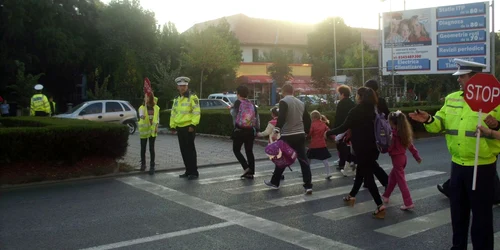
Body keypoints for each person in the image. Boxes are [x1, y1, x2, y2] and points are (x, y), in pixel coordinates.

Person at [408, 59, 499, 249]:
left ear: (475, 79)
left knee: (481, 218)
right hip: (457, 166)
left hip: (481, 168)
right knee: (458, 215)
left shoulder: (495, 101)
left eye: (463, 77)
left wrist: (496, 127)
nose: (459, 81)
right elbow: (439, 123)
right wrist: (428, 119)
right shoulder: (452, 99)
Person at [325, 87, 386, 218]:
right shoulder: (375, 110)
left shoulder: (356, 111)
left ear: (360, 97)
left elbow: (344, 126)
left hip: (361, 147)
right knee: (361, 171)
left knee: (368, 178)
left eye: (357, 95)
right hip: (374, 147)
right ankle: (351, 196)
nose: (356, 97)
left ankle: (380, 205)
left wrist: (329, 132)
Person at [264, 84, 313, 194]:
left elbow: (281, 117)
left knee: (282, 158)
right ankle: (308, 185)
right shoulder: (301, 103)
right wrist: (306, 132)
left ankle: (275, 182)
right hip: (300, 134)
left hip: (288, 134)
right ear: (293, 91)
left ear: (283, 91)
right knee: (303, 160)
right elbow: (307, 119)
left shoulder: (284, 101)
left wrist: (276, 131)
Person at [381, 111, 422, 210]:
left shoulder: (394, 134)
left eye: (389, 122)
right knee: (392, 178)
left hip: (397, 160)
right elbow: (411, 146)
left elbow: (390, 147)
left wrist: (385, 148)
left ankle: (408, 203)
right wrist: (417, 156)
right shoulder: (404, 134)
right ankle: (386, 196)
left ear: (393, 123)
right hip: (403, 159)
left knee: (401, 183)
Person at [170, 76, 201, 180]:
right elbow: (173, 113)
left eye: (184, 86)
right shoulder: (176, 99)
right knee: (183, 150)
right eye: (180, 86)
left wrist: (193, 125)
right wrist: (172, 126)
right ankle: (188, 171)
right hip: (179, 127)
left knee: (190, 150)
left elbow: (196, 112)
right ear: (177, 87)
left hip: (188, 127)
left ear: (187, 86)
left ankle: (194, 172)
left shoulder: (192, 97)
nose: (182, 88)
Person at [363, 80, 390, 188]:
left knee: (369, 160)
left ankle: (386, 180)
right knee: (367, 159)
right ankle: (367, 180)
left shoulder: (367, 102)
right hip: (379, 134)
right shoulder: (381, 101)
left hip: (370, 134)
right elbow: (387, 115)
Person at [231, 85, 260, 179]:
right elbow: (257, 117)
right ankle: (251, 172)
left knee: (236, 150)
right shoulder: (252, 103)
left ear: (238, 93)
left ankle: (246, 167)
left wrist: (231, 109)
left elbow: (234, 115)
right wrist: (257, 129)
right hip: (250, 130)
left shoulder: (237, 102)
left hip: (240, 130)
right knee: (249, 151)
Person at [333, 85, 356, 173]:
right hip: (350, 128)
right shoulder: (352, 103)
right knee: (349, 146)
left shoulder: (341, 103)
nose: (339, 95)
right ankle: (350, 162)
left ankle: (342, 163)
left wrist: (335, 129)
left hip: (341, 128)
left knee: (341, 147)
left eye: (339, 93)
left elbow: (338, 117)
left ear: (342, 94)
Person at [138, 94, 160, 175]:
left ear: (150, 98)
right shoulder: (142, 107)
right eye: (144, 97)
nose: (145, 98)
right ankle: (143, 164)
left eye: (146, 97)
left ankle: (152, 166)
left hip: (152, 131)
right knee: (143, 148)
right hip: (144, 130)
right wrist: (143, 115)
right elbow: (141, 116)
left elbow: (157, 118)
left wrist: (156, 126)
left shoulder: (156, 108)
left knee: (151, 148)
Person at [308, 110, 332, 179]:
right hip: (322, 144)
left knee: (309, 158)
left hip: (314, 144)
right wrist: (335, 138)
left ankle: (307, 172)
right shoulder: (323, 124)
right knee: (325, 160)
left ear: (313, 118)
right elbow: (329, 131)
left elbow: (309, 133)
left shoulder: (312, 124)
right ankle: (328, 173)